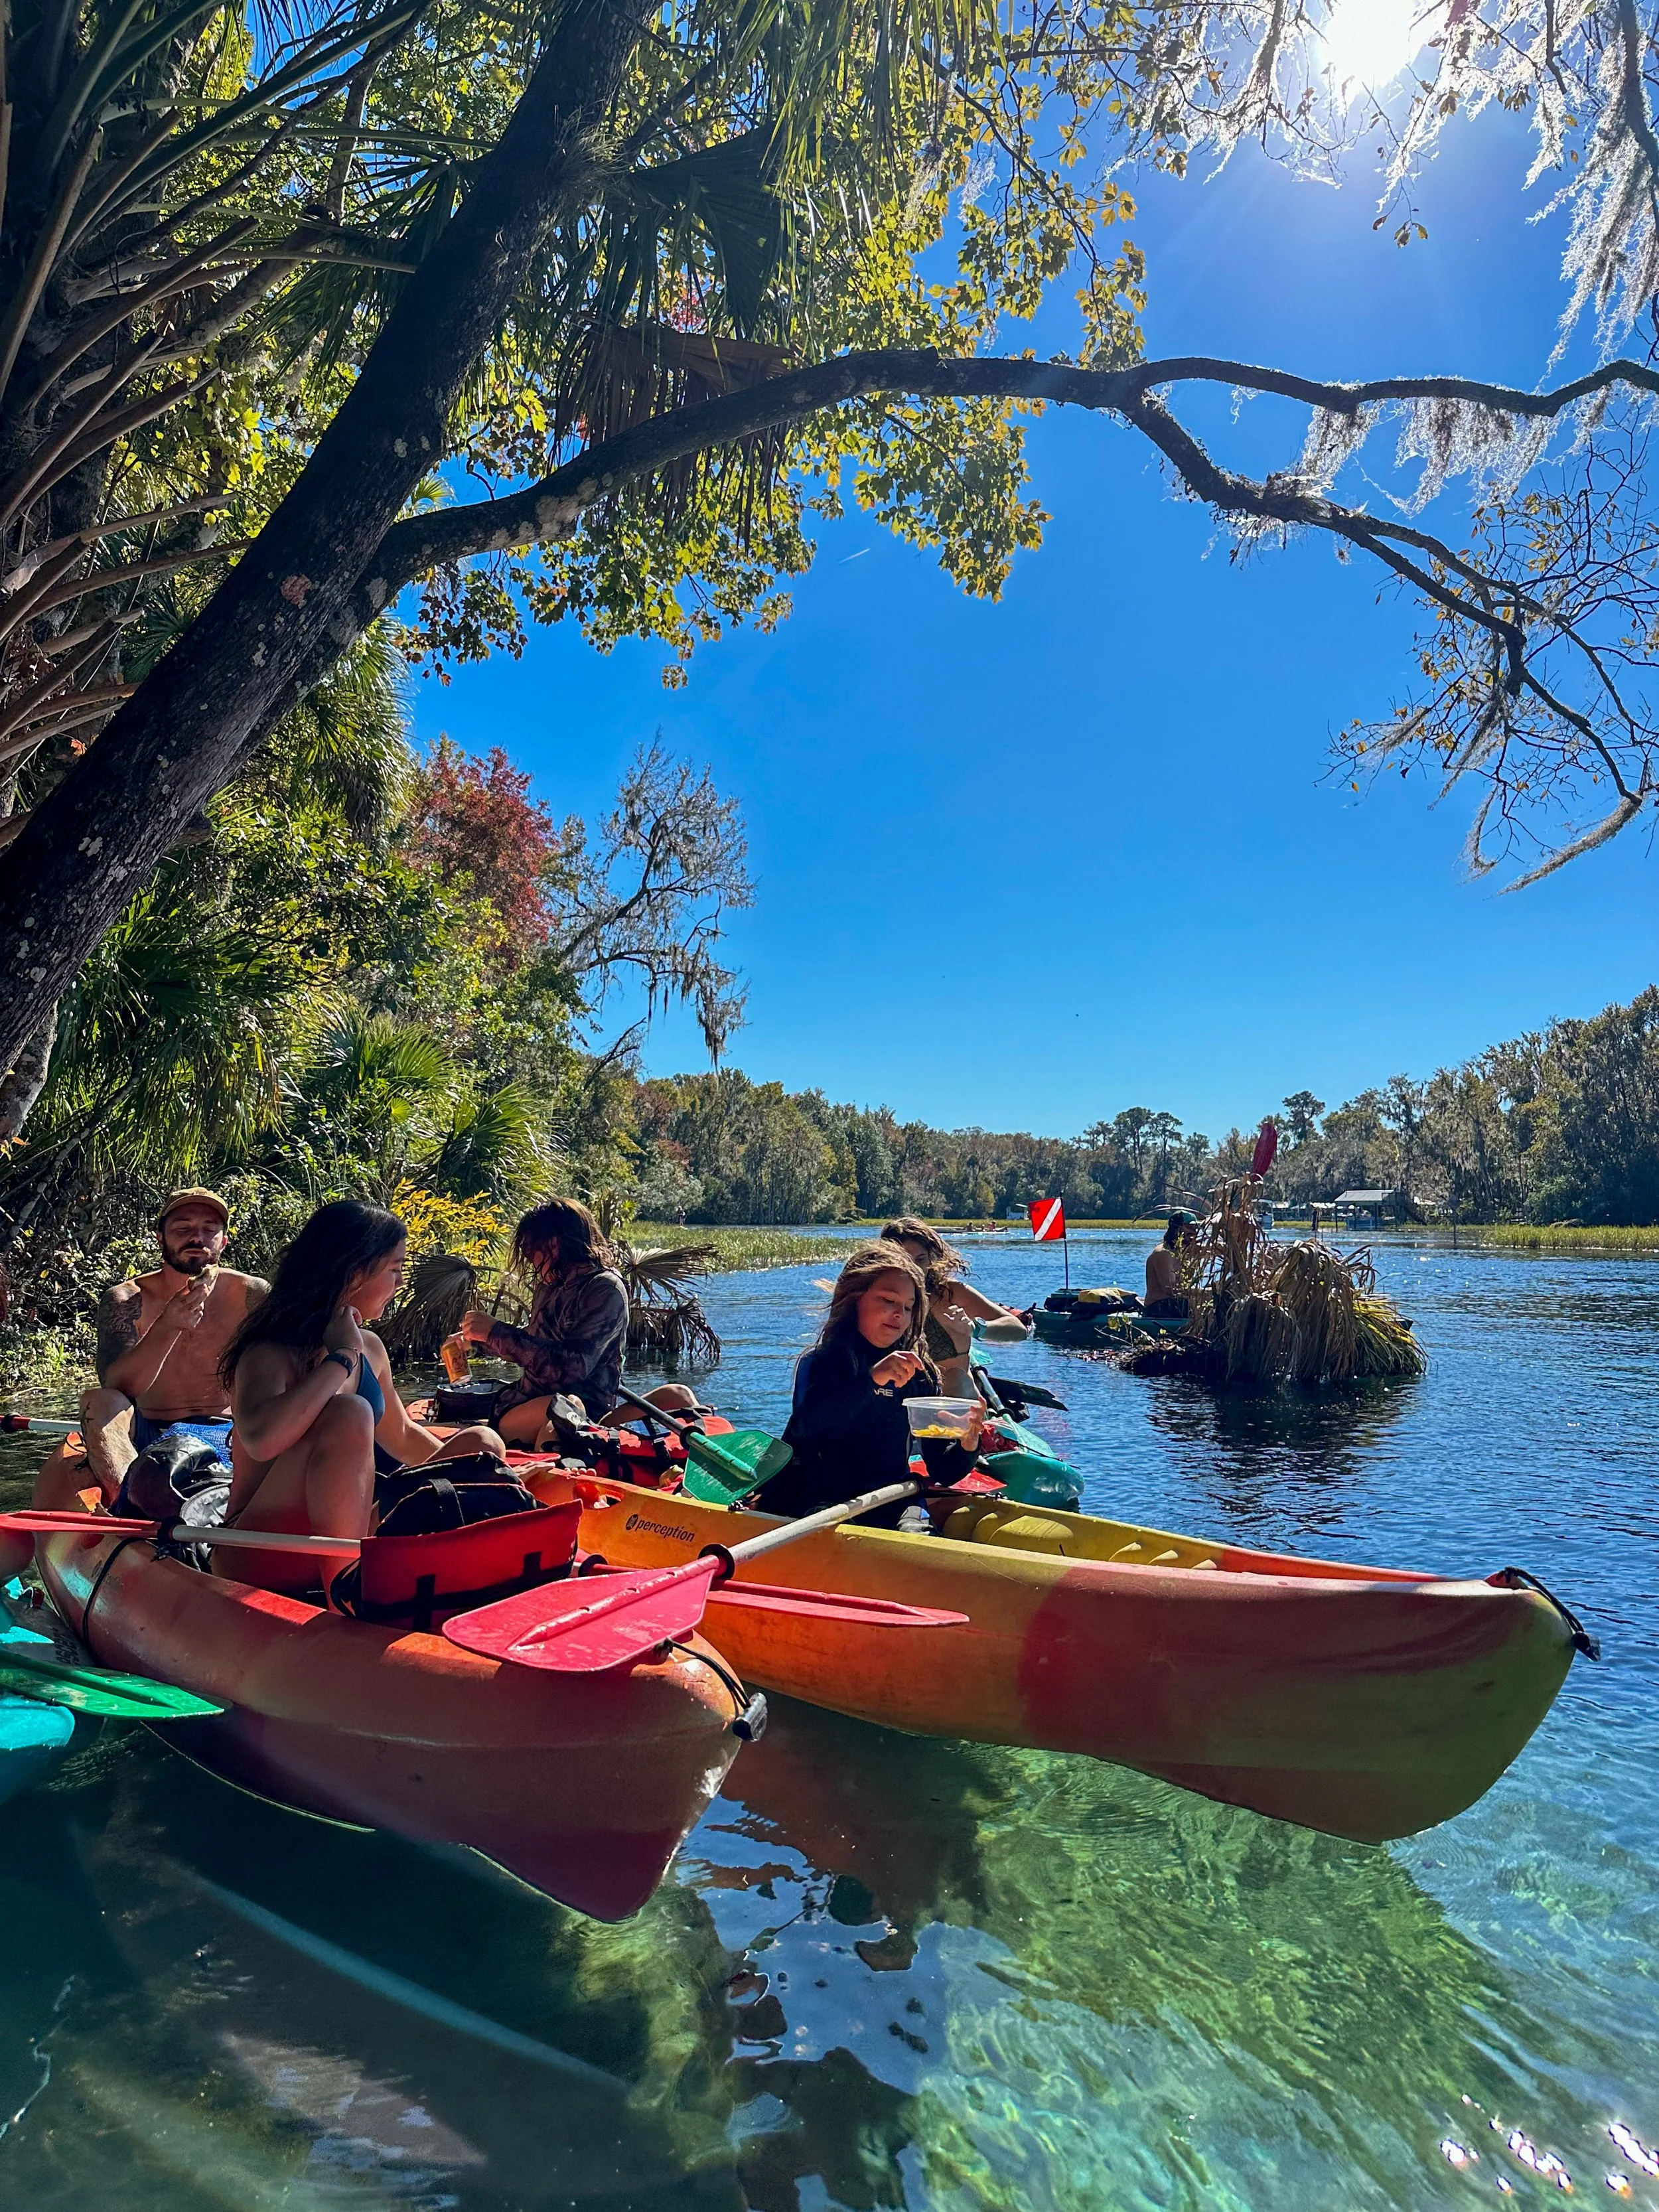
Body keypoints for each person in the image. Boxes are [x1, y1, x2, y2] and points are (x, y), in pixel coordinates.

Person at [220, 1200, 502, 1593]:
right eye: (394, 1269)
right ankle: (347, 1596)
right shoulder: (269, 1353)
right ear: (354, 1274)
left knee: (482, 1443)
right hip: (258, 1547)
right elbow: (262, 1441)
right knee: (349, 1413)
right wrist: (340, 1359)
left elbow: (402, 1436)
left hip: (342, 1537)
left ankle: (467, 1567)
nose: (400, 1282)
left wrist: (488, 1471)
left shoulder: (369, 1347)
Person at [753, 1242, 983, 1530]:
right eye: (888, 1300)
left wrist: (968, 1443)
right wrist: (871, 1381)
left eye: (908, 1307)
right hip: (820, 1494)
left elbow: (943, 1470)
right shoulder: (822, 1364)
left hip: (891, 1495)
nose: (899, 1314)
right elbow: (806, 1431)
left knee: (917, 1537)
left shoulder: (919, 1375)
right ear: (854, 1299)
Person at [457, 1199, 695, 1447]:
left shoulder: (605, 1288)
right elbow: (532, 1342)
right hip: (527, 1408)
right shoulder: (549, 1284)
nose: (531, 1262)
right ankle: (550, 1469)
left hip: (596, 1415)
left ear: (553, 1244)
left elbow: (573, 1367)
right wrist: (480, 1340)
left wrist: (495, 1332)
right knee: (566, 1407)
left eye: (532, 1252)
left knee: (678, 1395)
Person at [81, 1189, 268, 1499]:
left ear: (224, 1240)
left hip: (228, 1429)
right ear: (160, 1237)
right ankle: (130, 1504)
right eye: (183, 1229)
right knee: (98, 1401)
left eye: (210, 1230)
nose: (197, 1238)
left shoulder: (251, 1292)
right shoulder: (127, 1299)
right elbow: (117, 1387)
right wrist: (168, 1325)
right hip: (150, 1428)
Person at [877, 1217, 1032, 1401]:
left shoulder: (951, 1293)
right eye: (905, 1261)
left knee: (956, 1380)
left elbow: (1018, 1330)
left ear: (930, 1258)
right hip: (900, 1403)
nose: (916, 1269)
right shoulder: (875, 1298)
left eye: (921, 1259)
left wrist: (976, 1328)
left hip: (956, 1404)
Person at [1143, 1211, 1197, 1319]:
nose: (1193, 1232)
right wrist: (1203, 1293)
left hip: (1177, 1304)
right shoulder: (1163, 1253)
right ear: (1176, 1229)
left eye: (1195, 1228)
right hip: (1158, 1307)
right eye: (1188, 1227)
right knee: (1189, 1305)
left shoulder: (1184, 1253)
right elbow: (1171, 1290)